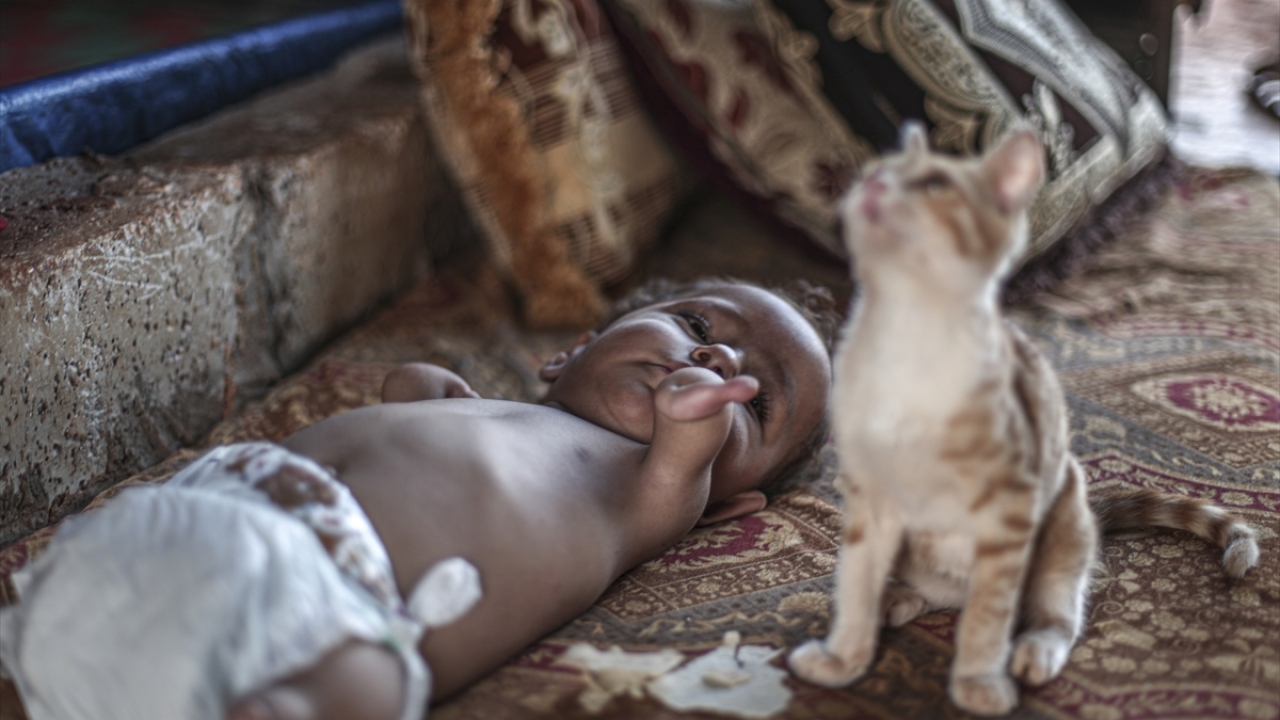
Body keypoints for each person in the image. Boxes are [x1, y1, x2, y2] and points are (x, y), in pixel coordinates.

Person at [0, 277, 837, 720]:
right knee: (59, 624)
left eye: (758, 402)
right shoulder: (493, 410)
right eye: (697, 326)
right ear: (572, 351)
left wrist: (692, 431)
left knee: (363, 683)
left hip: (337, 608)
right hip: (210, 514)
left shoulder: (649, 493)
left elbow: (682, 459)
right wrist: (431, 396)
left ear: (725, 509)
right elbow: (423, 429)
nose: (724, 360)